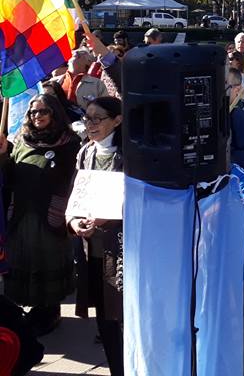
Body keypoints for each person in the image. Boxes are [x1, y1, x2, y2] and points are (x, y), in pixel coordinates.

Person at [0, 94, 80, 335]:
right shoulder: (21, 141)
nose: (37, 116)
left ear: (54, 113)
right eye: (33, 112)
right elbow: (9, 175)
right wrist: (3, 154)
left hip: (51, 213)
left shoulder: (70, 142)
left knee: (48, 262)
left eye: (43, 111)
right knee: (23, 261)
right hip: (23, 213)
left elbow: (76, 179)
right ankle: (31, 310)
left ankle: (49, 312)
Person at [68, 97, 124, 375]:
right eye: (87, 118)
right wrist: (74, 221)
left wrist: (109, 216)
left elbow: (140, 201)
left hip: (123, 249)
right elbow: (77, 194)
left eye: (97, 119)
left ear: (117, 120)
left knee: (123, 316)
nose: (90, 124)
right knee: (104, 316)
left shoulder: (131, 155)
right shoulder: (85, 152)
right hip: (93, 246)